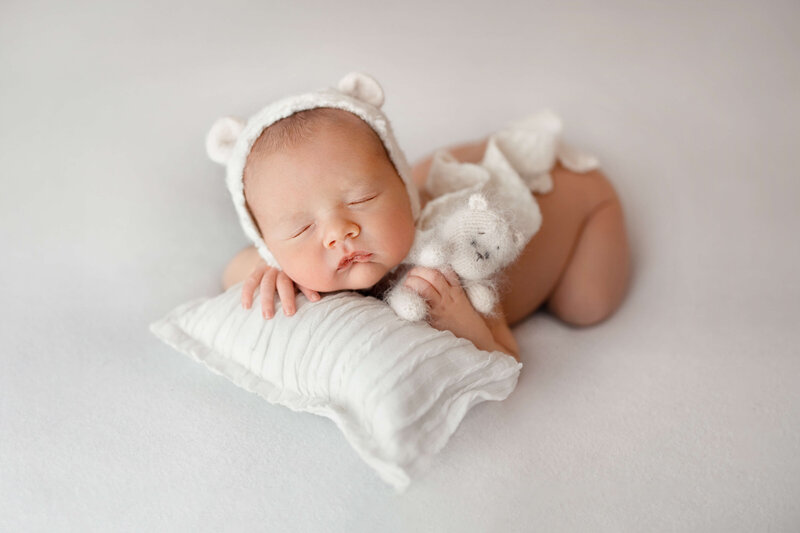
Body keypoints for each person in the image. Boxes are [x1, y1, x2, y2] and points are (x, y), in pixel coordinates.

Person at [216, 76, 631, 363]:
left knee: (584, 306)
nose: (339, 232)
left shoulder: (454, 266)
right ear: (270, 244)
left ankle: (583, 185)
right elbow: (232, 272)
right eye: (301, 228)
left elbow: (505, 357)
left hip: (578, 203)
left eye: (362, 198)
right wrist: (267, 271)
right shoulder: (285, 257)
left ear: (402, 193)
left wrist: (461, 321)